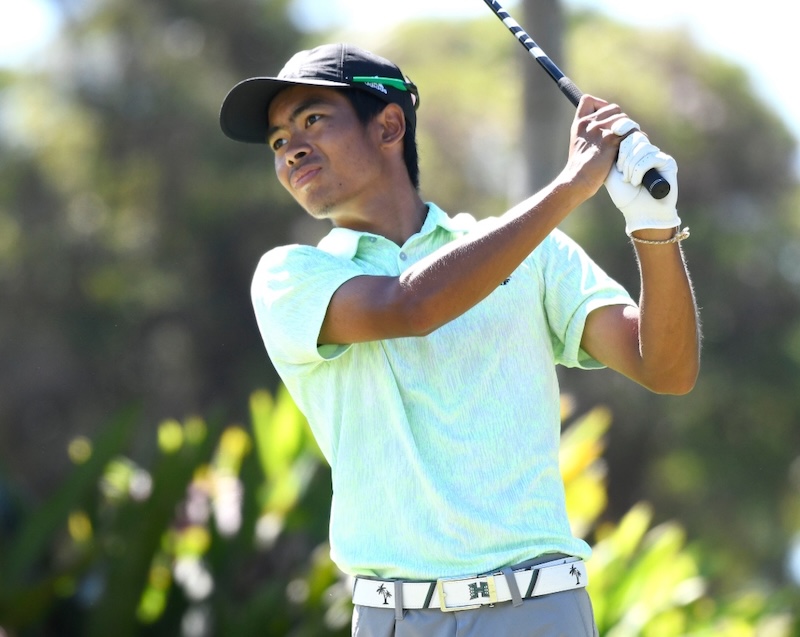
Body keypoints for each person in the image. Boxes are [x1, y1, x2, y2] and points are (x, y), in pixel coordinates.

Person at [220, 42, 699, 637]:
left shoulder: (533, 252)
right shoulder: (291, 276)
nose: (290, 148)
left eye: (312, 119)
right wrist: (570, 187)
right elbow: (412, 305)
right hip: (393, 618)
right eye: (276, 140)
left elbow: (666, 369)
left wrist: (654, 227)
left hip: (539, 611)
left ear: (389, 124)